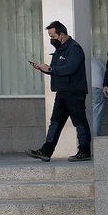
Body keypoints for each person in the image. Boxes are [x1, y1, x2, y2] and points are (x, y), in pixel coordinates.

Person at [27, 21, 92, 162]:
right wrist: (45, 69)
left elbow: (70, 68)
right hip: (62, 91)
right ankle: (46, 151)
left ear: (62, 35)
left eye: (53, 36)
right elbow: (58, 70)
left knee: (79, 122)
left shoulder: (74, 48)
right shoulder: (60, 49)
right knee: (55, 122)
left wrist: (50, 69)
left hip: (74, 92)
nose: (51, 39)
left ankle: (84, 151)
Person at [89, 54, 106, 137]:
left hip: (82, 88)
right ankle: (94, 136)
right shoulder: (98, 62)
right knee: (96, 113)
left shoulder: (81, 61)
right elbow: (105, 75)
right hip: (97, 88)